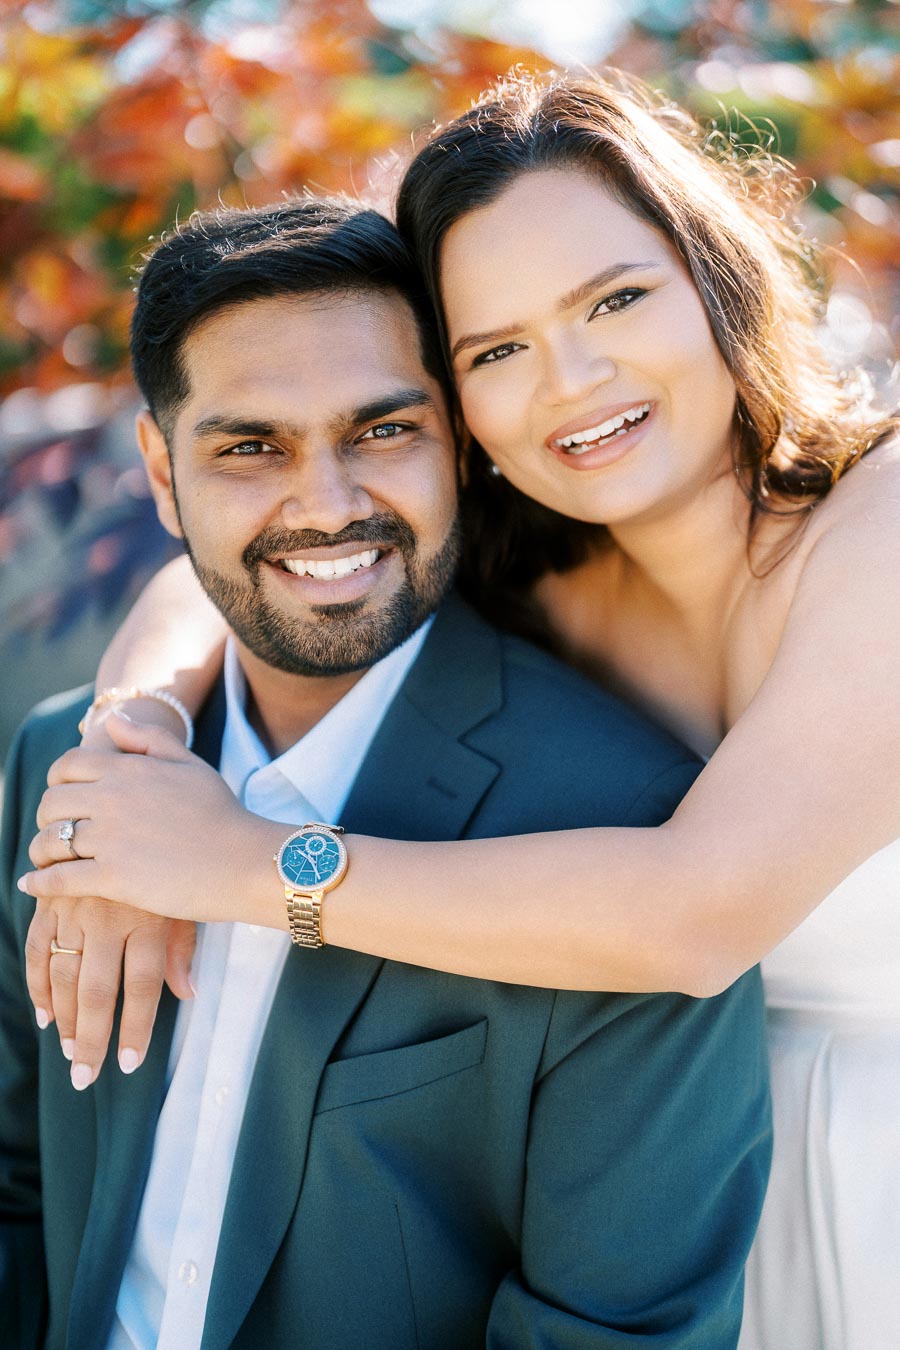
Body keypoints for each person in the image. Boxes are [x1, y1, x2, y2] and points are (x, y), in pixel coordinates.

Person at [17, 70, 900, 1348]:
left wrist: (244, 865)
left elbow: (703, 917)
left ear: (716, 273)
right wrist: (127, 758)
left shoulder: (880, 522)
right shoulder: (539, 559)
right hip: (690, 1191)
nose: (574, 379)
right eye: (497, 351)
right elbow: (247, 556)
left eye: (615, 297)